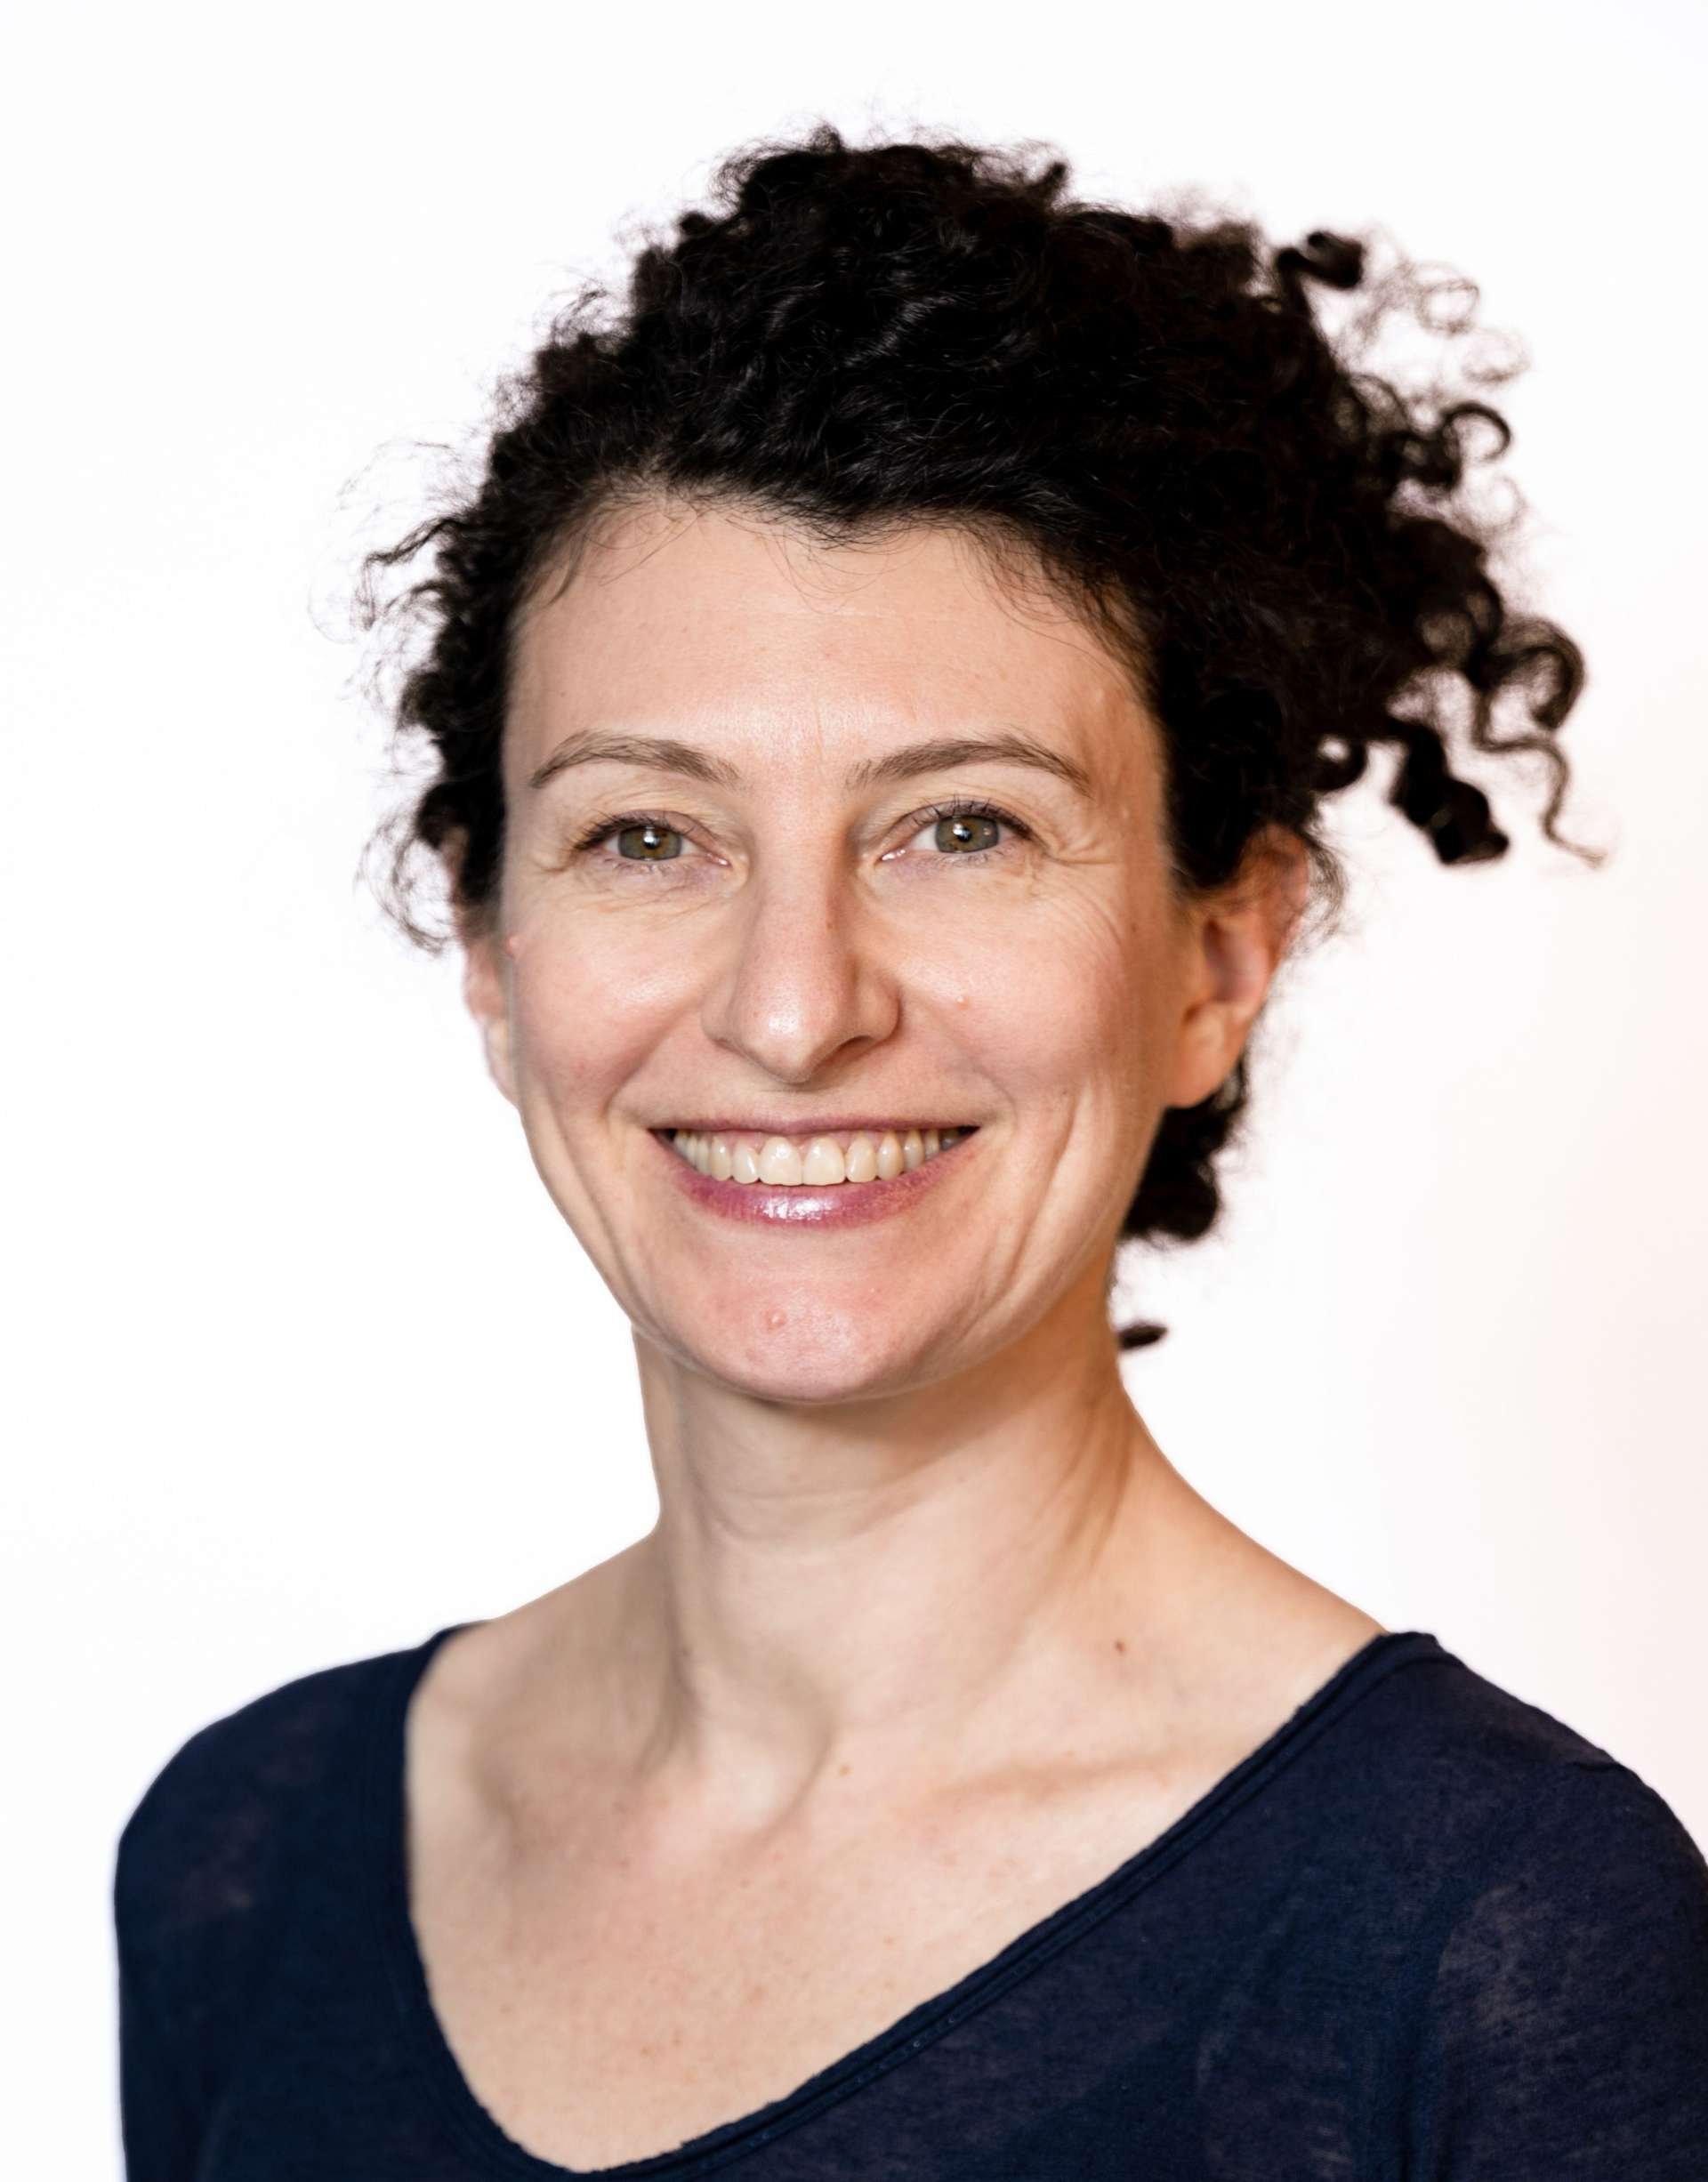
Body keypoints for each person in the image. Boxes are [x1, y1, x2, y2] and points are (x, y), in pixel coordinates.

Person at [112, 124, 1708, 2179]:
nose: (795, 1009)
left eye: (964, 827)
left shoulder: (1498, 1937)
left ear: (1219, 960)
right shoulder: (248, 1862)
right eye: (647, 835)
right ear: (493, 953)